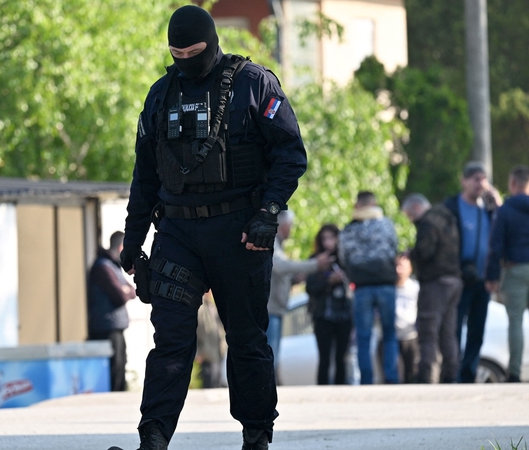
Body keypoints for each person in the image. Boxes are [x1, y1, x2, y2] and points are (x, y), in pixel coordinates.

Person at [116, 5, 308, 450]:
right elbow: (145, 175)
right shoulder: (160, 95)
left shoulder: (253, 84)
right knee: (171, 340)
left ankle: (257, 435)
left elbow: (290, 154)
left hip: (239, 233)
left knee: (245, 339)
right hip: (178, 235)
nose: (186, 60)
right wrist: (133, 237)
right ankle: (154, 437)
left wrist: (268, 212)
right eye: (176, 53)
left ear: (213, 44)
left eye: (195, 52)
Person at [484, 165, 529, 383]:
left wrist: (491, 276)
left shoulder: (507, 209)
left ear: (513, 184)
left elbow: (496, 245)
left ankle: (515, 371)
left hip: (516, 269)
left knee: (516, 321)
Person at [444, 162, 501, 383]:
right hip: (459, 277)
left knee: (477, 329)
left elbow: (500, 237)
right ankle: (453, 371)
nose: (480, 184)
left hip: (483, 278)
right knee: (455, 328)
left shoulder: (488, 210)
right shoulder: (452, 207)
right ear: (464, 181)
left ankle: (469, 372)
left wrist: (498, 204)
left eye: (483, 179)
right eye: (475, 179)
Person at [338, 191, 399, 384]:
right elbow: (394, 248)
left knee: (364, 337)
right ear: (374, 203)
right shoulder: (387, 225)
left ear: (358, 205)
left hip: (362, 287)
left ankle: (367, 380)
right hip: (386, 285)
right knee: (389, 333)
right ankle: (391, 378)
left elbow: (343, 257)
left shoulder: (348, 230)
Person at [401, 194, 463, 384]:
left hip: (435, 283)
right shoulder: (448, 217)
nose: (412, 221)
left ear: (417, 208)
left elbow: (425, 251)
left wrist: (411, 254)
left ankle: (426, 375)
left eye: (410, 216)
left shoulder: (428, 223)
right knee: (448, 332)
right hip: (454, 280)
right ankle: (451, 374)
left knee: (428, 332)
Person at [268, 210, 330, 368]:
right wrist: (314, 264)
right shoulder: (271, 241)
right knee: (270, 357)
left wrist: (293, 281)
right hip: (271, 309)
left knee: (272, 357)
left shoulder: (279, 244)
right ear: (284, 226)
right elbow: (280, 266)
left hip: (276, 308)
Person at [87, 231, 136, 392]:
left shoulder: (112, 266)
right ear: (121, 247)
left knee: (121, 368)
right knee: (114, 373)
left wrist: (126, 290)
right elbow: (120, 296)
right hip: (106, 329)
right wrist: (126, 290)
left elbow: (132, 290)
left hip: (116, 327)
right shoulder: (103, 267)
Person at [305, 224, 352, 385]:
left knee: (342, 358)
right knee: (324, 358)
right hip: (322, 315)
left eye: (332, 238)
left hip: (344, 315)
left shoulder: (345, 260)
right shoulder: (315, 260)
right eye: (324, 238)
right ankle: (322, 391)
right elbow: (310, 287)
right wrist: (328, 281)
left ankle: (341, 390)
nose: (328, 242)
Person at [395, 252, 420, 384]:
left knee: (412, 374)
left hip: (411, 336)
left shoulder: (416, 288)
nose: (399, 270)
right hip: (392, 336)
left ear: (410, 268)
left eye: (403, 266)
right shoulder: (388, 289)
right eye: (397, 266)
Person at [196, 291, 226, 389]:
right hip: (207, 352)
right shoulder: (201, 307)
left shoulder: (212, 305)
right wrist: (199, 352)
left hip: (217, 351)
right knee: (209, 382)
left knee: (217, 380)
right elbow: (199, 330)